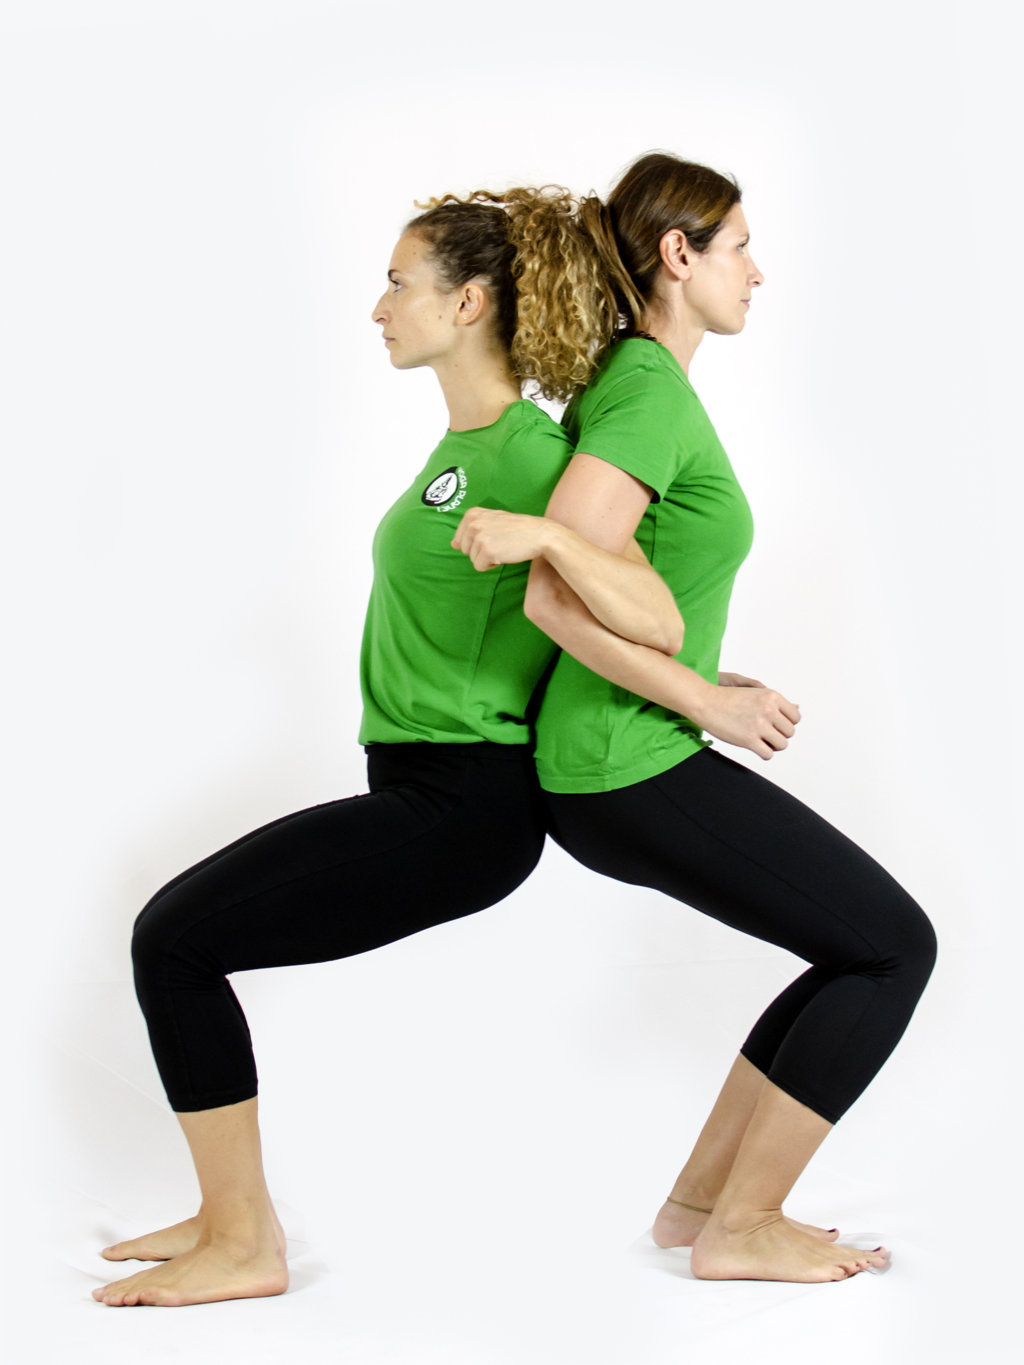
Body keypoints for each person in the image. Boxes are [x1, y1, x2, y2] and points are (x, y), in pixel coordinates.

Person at [93, 190, 682, 1308]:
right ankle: (234, 1216)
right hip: (419, 785)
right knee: (177, 938)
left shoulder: (528, 456)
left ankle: (243, 1244)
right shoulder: (467, 445)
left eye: (400, 282)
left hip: (466, 803)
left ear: (466, 303)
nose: (378, 306)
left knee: (172, 940)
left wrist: (561, 541)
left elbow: (648, 611)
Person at [453, 152, 937, 1283]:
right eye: (739, 247)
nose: (758, 273)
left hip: (625, 750)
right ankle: (742, 1228)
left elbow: (617, 580)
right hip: (616, 760)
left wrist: (706, 685)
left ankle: (699, 1211)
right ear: (679, 255)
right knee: (890, 947)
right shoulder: (641, 390)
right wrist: (706, 701)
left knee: (849, 949)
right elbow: (552, 588)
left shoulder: (641, 385)